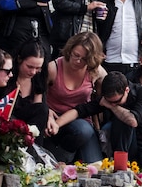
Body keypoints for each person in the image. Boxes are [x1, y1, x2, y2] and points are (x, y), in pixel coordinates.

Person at [55, 71, 142, 166]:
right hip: (122, 146)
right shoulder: (106, 99)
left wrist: (111, 106)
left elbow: (133, 121)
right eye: (109, 101)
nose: (113, 104)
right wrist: (56, 125)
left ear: (127, 90)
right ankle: (120, 165)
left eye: (116, 101)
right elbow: (79, 111)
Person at [44, 32, 107, 163]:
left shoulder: (95, 71)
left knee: (95, 165)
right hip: (53, 117)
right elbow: (38, 93)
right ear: (70, 50)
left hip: (80, 118)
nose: (78, 61)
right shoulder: (53, 67)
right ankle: (59, 159)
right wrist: (45, 110)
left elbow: (109, 87)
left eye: (84, 59)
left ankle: (65, 157)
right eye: (76, 55)